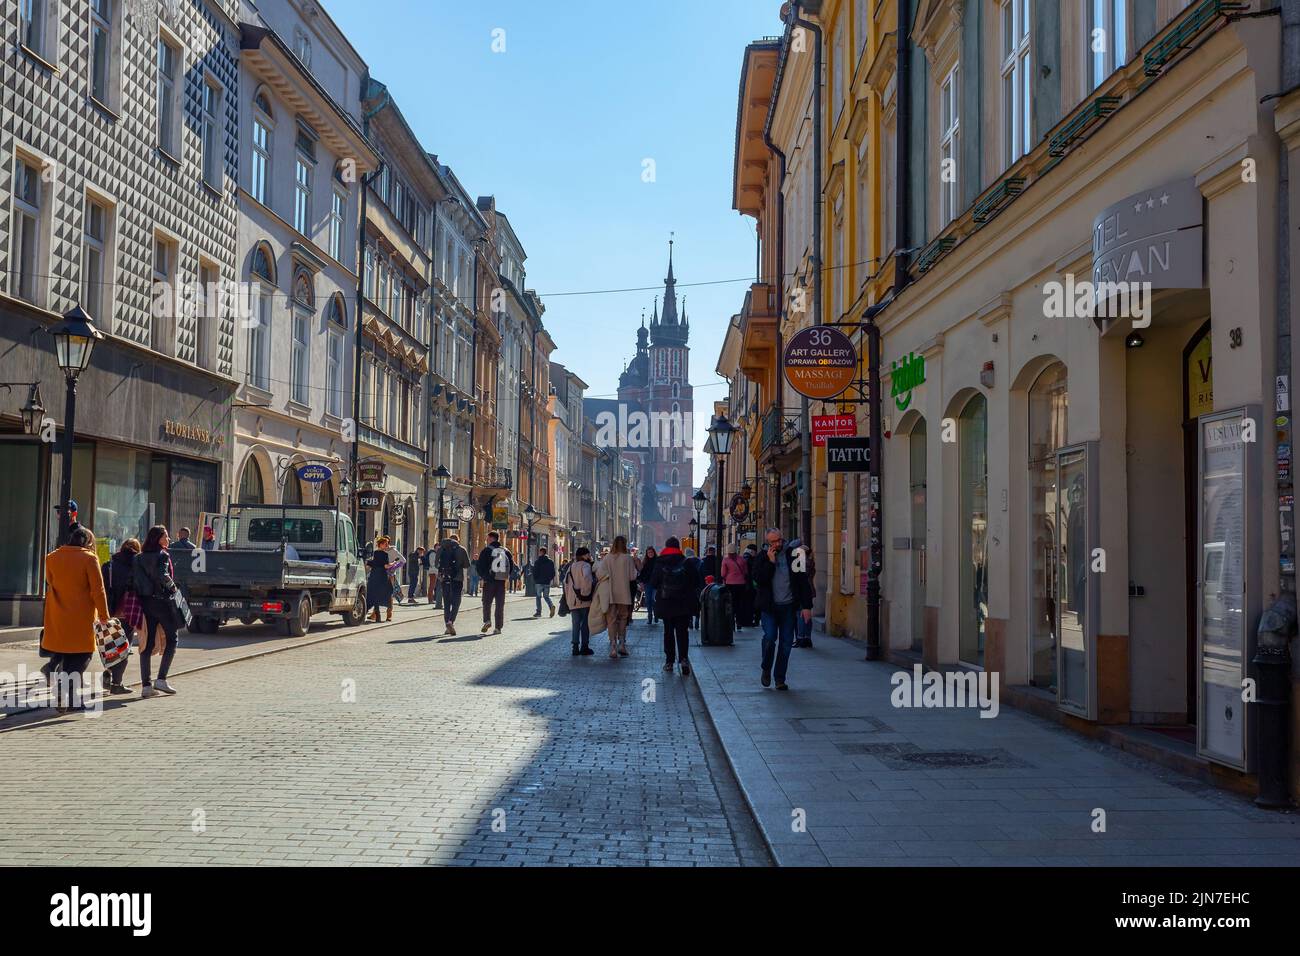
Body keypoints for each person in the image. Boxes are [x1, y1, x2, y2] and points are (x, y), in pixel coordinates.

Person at [42, 526, 111, 712]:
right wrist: (104, 616)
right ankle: (65, 694)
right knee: (83, 655)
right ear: (88, 542)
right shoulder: (89, 558)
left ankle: (68, 697)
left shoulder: (52, 557)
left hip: (58, 614)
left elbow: (50, 582)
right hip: (81, 616)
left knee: (66, 654)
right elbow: (98, 590)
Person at [752, 527, 814, 691]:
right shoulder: (761, 557)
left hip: (788, 606)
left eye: (779, 540)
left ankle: (780, 678)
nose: (777, 544)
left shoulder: (794, 554)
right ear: (767, 542)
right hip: (770, 607)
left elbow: (803, 581)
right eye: (773, 541)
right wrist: (771, 563)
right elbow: (759, 580)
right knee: (770, 637)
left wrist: (806, 606)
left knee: (786, 643)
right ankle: (766, 667)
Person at [133, 525, 183, 698]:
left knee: (146, 642)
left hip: (145, 603)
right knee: (172, 638)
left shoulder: (139, 558)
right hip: (162, 602)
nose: (168, 539)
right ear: (158, 539)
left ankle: (146, 685)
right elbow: (163, 575)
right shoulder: (163, 555)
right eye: (166, 536)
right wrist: (173, 589)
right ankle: (161, 679)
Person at [650, 536, 700, 676]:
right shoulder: (686, 562)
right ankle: (683, 659)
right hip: (683, 603)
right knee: (682, 632)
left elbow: (653, 582)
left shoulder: (660, 562)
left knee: (668, 632)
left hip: (666, 603)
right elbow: (696, 581)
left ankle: (669, 661)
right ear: (678, 547)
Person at [100, 537, 143, 695]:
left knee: (110, 645)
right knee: (124, 647)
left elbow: (101, 588)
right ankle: (116, 683)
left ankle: (108, 671)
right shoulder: (137, 566)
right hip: (128, 612)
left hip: (110, 611)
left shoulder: (109, 565)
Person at [594, 536, 638, 659]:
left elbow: (599, 574)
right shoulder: (628, 558)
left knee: (611, 619)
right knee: (623, 618)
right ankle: (622, 644)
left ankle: (613, 646)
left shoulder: (607, 558)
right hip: (624, 592)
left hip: (610, 593)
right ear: (624, 544)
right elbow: (632, 576)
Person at [475, 531, 511, 635]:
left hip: (489, 581)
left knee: (486, 603)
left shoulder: (486, 550)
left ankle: (487, 621)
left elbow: (480, 566)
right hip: (501, 582)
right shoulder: (506, 551)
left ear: (491, 538)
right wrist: (505, 577)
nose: (486, 540)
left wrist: (485, 577)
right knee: (500, 605)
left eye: (487, 538)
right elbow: (511, 566)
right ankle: (498, 628)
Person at [563, 547, 596, 656]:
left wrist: (568, 598)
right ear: (584, 555)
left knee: (575, 624)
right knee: (585, 625)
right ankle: (584, 646)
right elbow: (587, 579)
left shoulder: (571, 566)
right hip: (584, 601)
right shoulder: (586, 565)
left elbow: (565, 583)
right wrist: (586, 593)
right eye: (588, 554)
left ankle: (575, 647)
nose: (590, 556)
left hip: (572, 601)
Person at [436, 534, 470, 636]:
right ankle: (451, 621)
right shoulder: (461, 549)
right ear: (457, 540)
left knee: (446, 602)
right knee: (456, 601)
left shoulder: (441, 548)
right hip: (457, 578)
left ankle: (447, 624)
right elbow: (467, 565)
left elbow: (435, 563)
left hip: (445, 578)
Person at [790, 537, 817, 649]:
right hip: (810, 589)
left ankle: (800, 638)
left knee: (800, 614)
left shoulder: (800, 562)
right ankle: (807, 637)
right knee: (807, 615)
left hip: (802, 590)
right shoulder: (810, 561)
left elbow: (799, 579)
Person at [364, 536, 397, 623]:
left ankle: (376, 614)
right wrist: (393, 563)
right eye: (385, 544)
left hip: (374, 575)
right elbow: (385, 566)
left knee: (373, 593)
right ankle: (379, 615)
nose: (387, 545)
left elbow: (372, 564)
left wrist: (368, 563)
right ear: (381, 544)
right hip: (382, 576)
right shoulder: (384, 554)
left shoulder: (374, 553)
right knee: (387, 592)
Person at [721, 545, 750, 633]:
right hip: (741, 584)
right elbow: (745, 572)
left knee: (730, 604)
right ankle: (739, 622)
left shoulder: (725, 560)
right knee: (740, 603)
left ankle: (731, 623)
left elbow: (723, 574)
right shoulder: (742, 559)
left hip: (730, 584)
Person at [531, 546, 557, 618]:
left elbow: (535, 571)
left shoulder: (537, 561)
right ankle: (551, 606)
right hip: (547, 582)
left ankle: (538, 612)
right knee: (546, 596)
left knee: (538, 597)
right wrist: (550, 579)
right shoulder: (550, 561)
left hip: (539, 582)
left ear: (541, 552)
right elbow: (553, 572)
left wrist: (535, 579)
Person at [638, 546, 659, 625]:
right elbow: (642, 573)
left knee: (653, 600)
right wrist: (641, 582)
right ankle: (650, 616)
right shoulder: (645, 562)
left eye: (651, 552)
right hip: (647, 583)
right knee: (648, 600)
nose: (650, 554)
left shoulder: (657, 561)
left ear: (654, 552)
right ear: (647, 554)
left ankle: (656, 614)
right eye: (648, 553)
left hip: (655, 584)